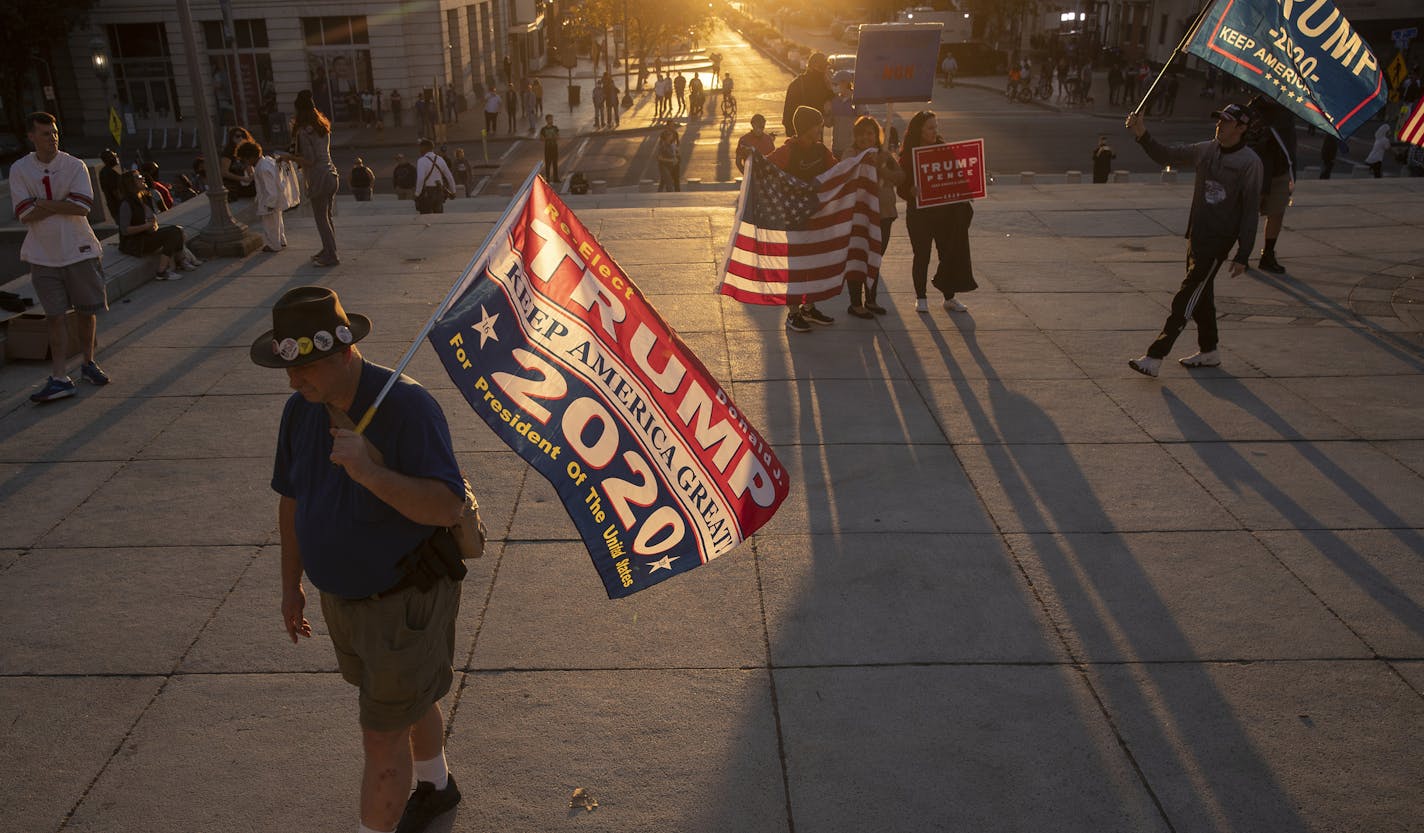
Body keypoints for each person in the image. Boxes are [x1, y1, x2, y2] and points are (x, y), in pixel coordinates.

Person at [257, 286, 467, 833]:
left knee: (381, 733)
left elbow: (446, 506)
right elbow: (292, 497)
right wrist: (291, 584)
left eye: (306, 369)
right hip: (342, 600)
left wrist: (370, 472)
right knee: (403, 699)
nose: (294, 382)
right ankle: (437, 787)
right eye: (288, 370)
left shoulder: (406, 407)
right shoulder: (300, 410)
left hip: (401, 600)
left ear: (345, 353)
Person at [1124, 104, 1262, 377]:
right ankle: (1209, 351)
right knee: (1202, 296)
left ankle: (1155, 356)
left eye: (1227, 122)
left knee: (1186, 296)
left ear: (1242, 128)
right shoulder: (1206, 150)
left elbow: (1250, 211)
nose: (1220, 126)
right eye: (1219, 120)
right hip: (1197, 235)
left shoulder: (1249, 163)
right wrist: (1142, 134)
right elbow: (1168, 155)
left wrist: (1243, 253)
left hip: (1218, 240)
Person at [12, 112, 112, 403]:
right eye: (45, 133)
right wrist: (61, 203)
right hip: (43, 255)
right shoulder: (21, 169)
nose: (52, 138)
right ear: (31, 136)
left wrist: (40, 202)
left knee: (86, 310)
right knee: (54, 317)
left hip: (78, 250)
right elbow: (23, 213)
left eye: (54, 132)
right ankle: (59, 377)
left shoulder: (74, 165)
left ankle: (88, 363)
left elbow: (82, 206)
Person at [897, 110, 977, 315]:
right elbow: (901, 187)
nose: (934, 131)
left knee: (946, 254)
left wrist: (969, 189)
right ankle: (921, 297)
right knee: (921, 255)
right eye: (930, 127)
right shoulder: (908, 155)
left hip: (944, 214)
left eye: (936, 127)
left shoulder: (943, 149)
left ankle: (949, 297)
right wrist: (910, 191)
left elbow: (956, 176)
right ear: (919, 130)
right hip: (919, 214)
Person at [769, 106, 839, 332]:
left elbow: (837, 172)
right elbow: (765, 169)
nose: (820, 129)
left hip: (817, 218)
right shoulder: (788, 151)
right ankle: (793, 313)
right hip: (795, 220)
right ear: (807, 127)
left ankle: (810, 307)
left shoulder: (821, 151)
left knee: (815, 264)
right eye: (818, 125)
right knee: (796, 267)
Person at [846, 115, 901, 318]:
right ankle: (855, 303)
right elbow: (844, 177)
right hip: (859, 216)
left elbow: (900, 177)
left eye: (869, 133)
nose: (865, 138)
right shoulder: (851, 154)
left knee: (875, 257)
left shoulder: (884, 155)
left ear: (876, 135)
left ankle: (871, 300)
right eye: (861, 134)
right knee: (857, 257)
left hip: (884, 215)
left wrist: (881, 167)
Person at [288, 90, 341, 267]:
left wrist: (290, 158)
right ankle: (328, 249)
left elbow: (310, 160)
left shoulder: (304, 132)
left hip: (319, 178)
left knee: (321, 219)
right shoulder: (322, 126)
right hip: (331, 175)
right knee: (327, 217)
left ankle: (331, 255)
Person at [1248, 96, 1297, 273]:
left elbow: (1291, 144)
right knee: (1249, 216)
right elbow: (1246, 141)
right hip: (1259, 172)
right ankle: (1243, 253)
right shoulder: (1255, 110)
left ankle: (1268, 254)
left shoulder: (1287, 110)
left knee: (1277, 214)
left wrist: (1292, 172)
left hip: (1280, 171)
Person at [115, 169, 186, 280]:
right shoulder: (126, 203)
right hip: (136, 243)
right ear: (131, 183)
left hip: (147, 235)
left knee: (177, 230)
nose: (143, 178)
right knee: (174, 232)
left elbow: (151, 219)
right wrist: (146, 226)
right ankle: (162, 272)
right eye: (138, 177)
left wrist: (153, 225)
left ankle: (180, 261)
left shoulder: (144, 197)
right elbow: (125, 230)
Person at [238, 140, 287, 252]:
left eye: (244, 159)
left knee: (270, 225)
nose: (244, 162)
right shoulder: (267, 162)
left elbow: (270, 188)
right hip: (273, 199)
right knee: (278, 222)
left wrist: (270, 203)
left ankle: (274, 245)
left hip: (269, 201)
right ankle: (281, 241)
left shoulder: (262, 169)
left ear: (250, 157)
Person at [782, 52, 834, 137]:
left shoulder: (824, 84)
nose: (825, 70)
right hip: (800, 135)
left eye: (826, 67)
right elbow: (788, 112)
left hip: (816, 134)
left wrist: (829, 87)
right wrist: (792, 134)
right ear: (813, 66)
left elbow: (831, 103)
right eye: (823, 67)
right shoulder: (797, 84)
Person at [414, 138, 455, 214]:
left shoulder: (421, 161)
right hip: (439, 191)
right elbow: (449, 176)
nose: (419, 150)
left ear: (424, 148)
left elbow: (420, 179)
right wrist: (453, 191)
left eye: (420, 147)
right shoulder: (440, 159)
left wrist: (417, 193)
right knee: (438, 218)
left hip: (427, 192)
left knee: (426, 218)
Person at [220, 126, 258, 201]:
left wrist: (251, 176)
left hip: (241, 182)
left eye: (243, 136)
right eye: (237, 136)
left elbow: (249, 168)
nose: (241, 138)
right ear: (231, 138)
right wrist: (242, 178)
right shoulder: (228, 153)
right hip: (231, 184)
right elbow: (224, 173)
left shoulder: (243, 152)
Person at [98, 149, 123, 222]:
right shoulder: (109, 174)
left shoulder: (104, 172)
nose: (116, 157)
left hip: (114, 205)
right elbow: (116, 191)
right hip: (118, 206)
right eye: (115, 156)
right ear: (110, 159)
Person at [655, 126, 680, 192]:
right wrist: (671, 160)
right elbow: (659, 158)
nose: (672, 137)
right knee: (669, 182)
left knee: (663, 182)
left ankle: (659, 193)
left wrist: (676, 157)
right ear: (667, 137)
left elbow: (673, 154)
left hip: (670, 166)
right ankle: (670, 196)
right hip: (663, 166)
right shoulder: (662, 145)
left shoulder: (670, 144)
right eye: (671, 136)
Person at [539, 114, 560, 182]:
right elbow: (541, 138)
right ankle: (547, 178)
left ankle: (556, 178)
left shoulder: (555, 128)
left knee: (555, 163)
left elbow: (558, 136)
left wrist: (553, 137)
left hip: (554, 147)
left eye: (552, 119)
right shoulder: (543, 129)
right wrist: (547, 138)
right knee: (548, 163)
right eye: (550, 119)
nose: (551, 120)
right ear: (547, 120)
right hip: (548, 148)